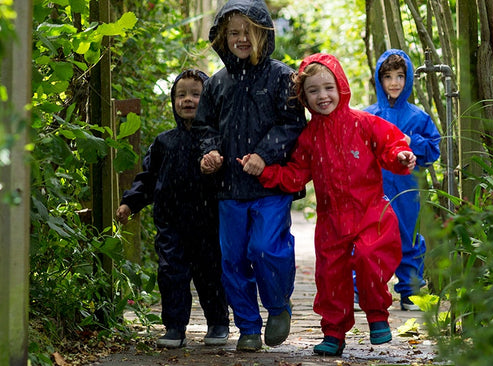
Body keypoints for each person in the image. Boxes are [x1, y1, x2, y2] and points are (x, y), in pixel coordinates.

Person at [241, 53, 416, 356]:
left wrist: (401, 156)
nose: (322, 96)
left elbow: (391, 145)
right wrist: (267, 172)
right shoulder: (309, 137)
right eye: (313, 91)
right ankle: (333, 332)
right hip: (331, 219)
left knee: (368, 255)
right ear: (304, 97)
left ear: (341, 87)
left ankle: (376, 315)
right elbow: (296, 175)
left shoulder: (364, 123)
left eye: (328, 88)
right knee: (330, 275)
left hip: (370, 211)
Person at [195, 0, 306, 352]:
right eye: (233, 33)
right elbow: (204, 127)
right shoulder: (216, 83)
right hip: (229, 187)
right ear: (221, 37)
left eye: (249, 31)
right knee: (233, 258)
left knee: (265, 248)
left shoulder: (281, 76)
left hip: (270, 184)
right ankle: (247, 326)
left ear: (263, 33)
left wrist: (264, 155)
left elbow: (292, 124)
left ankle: (277, 306)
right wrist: (209, 152)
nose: (241, 38)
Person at [116, 69, 230, 349]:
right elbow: (148, 179)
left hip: (209, 223)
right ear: (173, 100)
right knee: (171, 275)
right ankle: (175, 327)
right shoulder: (164, 142)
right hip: (171, 225)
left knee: (210, 275)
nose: (188, 100)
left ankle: (217, 323)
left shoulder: (216, 141)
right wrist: (130, 202)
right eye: (181, 95)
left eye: (195, 94)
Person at [354, 49, 441, 311]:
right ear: (379, 81)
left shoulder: (418, 117)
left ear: (409, 79)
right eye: (388, 76)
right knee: (369, 237)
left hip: (407, 188)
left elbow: (433, 150)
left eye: (400, 76)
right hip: (374, 188)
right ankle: (363, 290)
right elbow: (355, 152)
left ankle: (410, 291)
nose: (394, 82)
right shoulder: (367, 116)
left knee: (409, 235)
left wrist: (410, 141)